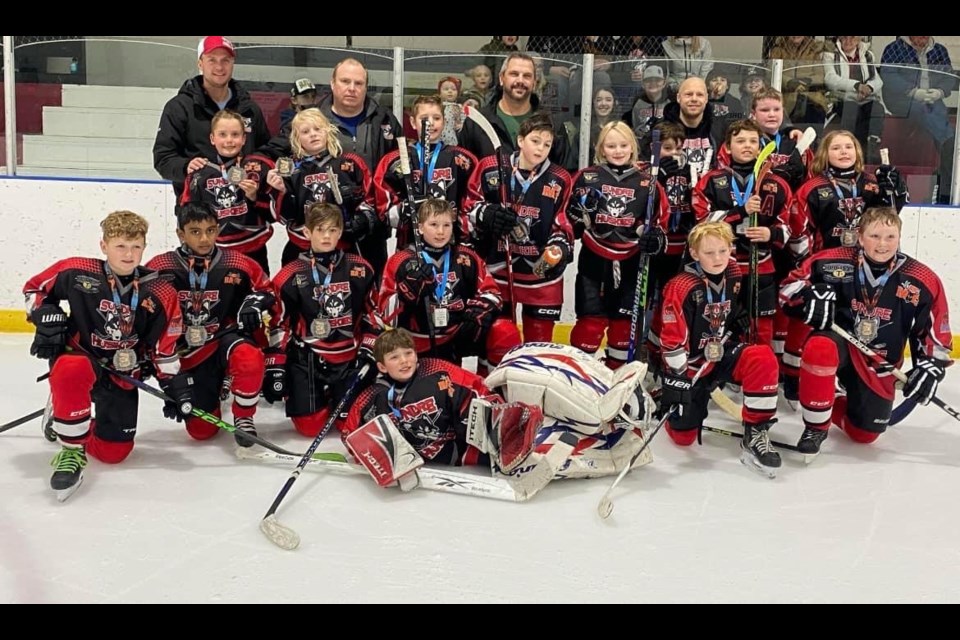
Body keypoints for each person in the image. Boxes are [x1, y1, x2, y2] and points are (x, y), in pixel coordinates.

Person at [23, 211, 189, 500]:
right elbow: (34, 288)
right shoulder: (77, 271)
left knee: (115, 453)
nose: (128, 254)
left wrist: (174, 385)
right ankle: (71, 449)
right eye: (120, 246)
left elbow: (166, 344)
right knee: (71, 370)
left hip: (124, 371)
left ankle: (71, 419)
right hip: (83, 357)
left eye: (136, 246)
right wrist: (45, 312)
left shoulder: (160, 290)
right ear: (104, 246)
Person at [779, 207, 952, 455]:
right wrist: (808, 295)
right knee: (820, 348)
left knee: (864, 434)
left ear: (899, 238)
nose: (882, 244)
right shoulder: (829, 261)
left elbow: (936, 331)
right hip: (840, 342)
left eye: (890, 237)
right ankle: (816, 427)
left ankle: (834, 401)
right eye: (874, 236)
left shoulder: (921, 278)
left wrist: (931, 366)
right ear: (860, 237)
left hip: (879, 362)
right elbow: (787, 292)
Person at [648, 221, 782, 477]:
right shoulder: (681, 286)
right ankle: (661, 399)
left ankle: (756, 431)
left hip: (720, 353)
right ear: (695, 253)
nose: (718, 258)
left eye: (723, 250)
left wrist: (738, 314)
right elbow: (672, 339)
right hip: (690, 365)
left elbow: (726, 306)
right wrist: (676, 380)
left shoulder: (732, 271)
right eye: (709, 253)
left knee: (762, 357)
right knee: (683, 437)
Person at [145, 202, 273, 447]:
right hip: (187, 353)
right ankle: (217, 384)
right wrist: (168, 379)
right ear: (181, 234)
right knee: (201, 432)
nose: (204, 238)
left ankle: (244, 417)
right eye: (195, 231)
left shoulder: (238, 262)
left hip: (223, 340)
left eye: (211, 230)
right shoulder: (160, 267)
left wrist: (253, 303)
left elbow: (267, 290)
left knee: (249, 356)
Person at [266, 203, 382, 437]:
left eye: (332, 230)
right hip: (309, 358)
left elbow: (374, 313)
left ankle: (335, 394)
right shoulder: (291, 273)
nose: (327, 236)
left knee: (349, 425)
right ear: (307, 233)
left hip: (349, 359)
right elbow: (278, 321)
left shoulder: (361, 268)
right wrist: (275, 365)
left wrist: (368, 349)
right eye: (320, 230)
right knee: (310, 428)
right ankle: (319, 394)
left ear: (340, 232)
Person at [567, 121, 669, 370]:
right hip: (594, 258)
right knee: (590, 322)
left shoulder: (648, 182)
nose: (618, 150)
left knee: (623, 324)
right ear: (601, 148)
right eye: (611, 145)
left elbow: (661, 225)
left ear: (632, 147)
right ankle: (581, 373)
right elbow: (568, 218)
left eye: (623, 145)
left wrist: (653, 239)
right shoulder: (587, 177)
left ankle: (616, 374)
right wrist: (578, 217)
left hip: (632, 260)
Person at [379, 199, 520, 375]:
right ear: (420, 227)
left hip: (456, 337)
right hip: (416, 343)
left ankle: (490, 388)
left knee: (504, 331)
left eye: (446, 225)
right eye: (433, 224)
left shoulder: (466, 257)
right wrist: (408, 293)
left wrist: (478, 313)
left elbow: (492, 294)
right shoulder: (400, 261)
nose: (440, 232)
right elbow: (385, 316)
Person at [468, 113, 575, 343]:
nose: (541, 149)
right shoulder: (490, 167)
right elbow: (469, 206)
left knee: (538, 346)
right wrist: (486, 214)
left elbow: (563, 223)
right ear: (520, 140)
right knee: (498, 340)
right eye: (535, 141)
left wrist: (559, 249)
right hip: (498, 271)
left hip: (540, 277)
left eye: (547, 144)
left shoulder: (561, 179)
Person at [692, 119, 793, 348]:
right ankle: (725, 370)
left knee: (761, 321)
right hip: (723, 264)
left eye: (753, 141)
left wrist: (771, 234)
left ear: (761, 146)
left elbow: (789, 226)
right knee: (721, 319)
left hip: (762, 264)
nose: (747, 146)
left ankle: (760, 368)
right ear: (727, 147)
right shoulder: (712, 180)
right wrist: (739, 211)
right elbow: (700, 222)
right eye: (740, 141)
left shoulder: (776, 183)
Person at [153, 36, 271, 203]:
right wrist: (186, 166)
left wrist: (256, 172)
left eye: (225, 60)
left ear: (232, 64)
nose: (219, 67)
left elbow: (265, 152)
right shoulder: (179, 107)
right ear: (200, 63)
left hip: (244, 211)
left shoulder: (249, 108)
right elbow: (163, 159)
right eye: (212, 60)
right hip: (198, 214)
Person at [317, 57, 403, 278]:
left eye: (358, 83)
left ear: (366, 87)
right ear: (332, 83)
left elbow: (398, 169)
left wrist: (377, 214)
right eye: (345, 81)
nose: (352, 88)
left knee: (372, 294)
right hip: (326, 229)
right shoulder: (313, 119)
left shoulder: (384, 119)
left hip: (372, 229)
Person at [265, 108, 377, 266]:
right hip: (302, 247)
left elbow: (371, 198)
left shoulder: (351, 163)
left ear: (329, 130)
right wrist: (281, 191)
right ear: (296, 139)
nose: (313, 134)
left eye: (317, 129)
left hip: (342, 245)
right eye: (305, 131)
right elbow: (285, 218)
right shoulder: (291, 171)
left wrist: (362, 220)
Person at [374, 95, 481, 248]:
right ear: (412, 122)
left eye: (436, 118)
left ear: (444, 121)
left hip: (452, 244)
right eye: (424, 118)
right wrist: (406, 209)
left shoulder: (462, 160)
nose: (430, 123)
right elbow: (383, 208)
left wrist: (464, 226)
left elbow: (473, 200)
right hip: (411, 244)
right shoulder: (396, 160)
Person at [178, 110, 276, 273]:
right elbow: (188, 217)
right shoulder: (199, 173)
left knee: (259, 296)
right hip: (215, 252)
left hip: (254, 249)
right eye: (222, 134)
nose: (229, 140)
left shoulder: (259, 167)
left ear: (244, 138)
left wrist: (254, 197)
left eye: (235, 134)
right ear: (212, 138)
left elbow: (274, 216)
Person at [458, 53, 575, 172]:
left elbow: (564, 174)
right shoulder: (477, 122)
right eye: (514, 74)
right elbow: (463, 171)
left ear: (534, 82)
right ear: (501, 78)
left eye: (527, 76)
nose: (520, 81)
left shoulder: (551, 125)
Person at [823, 36, 887, 163]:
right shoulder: (830, 54)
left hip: (865, 97)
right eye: (844, 37)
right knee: (851, 109)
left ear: (858, 39)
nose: (848, 41)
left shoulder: (867, 55)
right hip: (842, 98)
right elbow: (830, 79)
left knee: (876, 108)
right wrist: (856, 86)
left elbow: (877, 79)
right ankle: (853, 149)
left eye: (852, 38)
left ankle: (870, 147)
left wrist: (869, 87)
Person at [663, 76, 728, 183]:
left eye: (700, 95)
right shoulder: (661, 129)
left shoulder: (720, 130)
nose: (694, 99)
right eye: (688, 94)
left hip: (709, 195)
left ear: (706, 99)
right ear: (679, 98)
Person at [766, 36, 829, 129]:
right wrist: (790, 82)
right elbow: (770, 72)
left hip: (810, 96)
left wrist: (807, 81)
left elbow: (820, 76)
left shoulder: (814, 50)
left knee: (815, 110)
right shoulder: (778, 50)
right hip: (786, 95)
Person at [623, 65, 670, 143]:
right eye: (649, 80)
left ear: (664, 83)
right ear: (643, 84)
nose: (653, 83)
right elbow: (635, 128)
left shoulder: (669, 103)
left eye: (657, 80)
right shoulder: (638, 103)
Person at [438, 76, 464, 145]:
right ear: (440, 93)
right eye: (446, 89)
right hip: (438, 136)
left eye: (453, 89)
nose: (450, 91)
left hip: (452, 138)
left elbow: (464, 119)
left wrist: (461, 125)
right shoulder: (437, 106)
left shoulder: (459, 107)